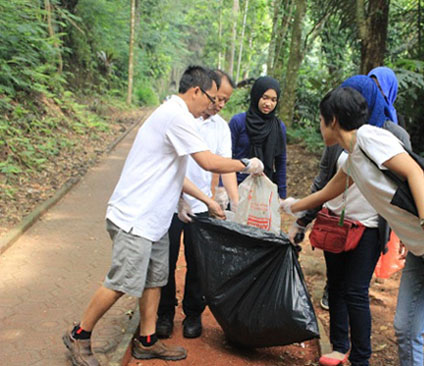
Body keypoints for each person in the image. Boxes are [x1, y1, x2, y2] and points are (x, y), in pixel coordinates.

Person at [281, 87, 424, 366]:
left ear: (332, 120)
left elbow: (413, 171)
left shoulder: (370, 137)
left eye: (321, 119)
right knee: (406, 328)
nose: (319, 126)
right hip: (420, 248)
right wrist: (288, 205)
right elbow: (326, 194)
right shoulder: (352, 157)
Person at [62, 66, 263, 366]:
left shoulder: (181, 118)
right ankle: (80, 334)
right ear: (196, 91)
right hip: (136, 216)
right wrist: (245, 163)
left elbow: (177, 174)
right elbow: (208, 162)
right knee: (121, 281)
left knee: (154, 279)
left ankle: (147, 340)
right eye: (211, 98)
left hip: (155, 218)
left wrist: (200, 199)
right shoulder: (176, 115)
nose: (212, 106)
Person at [288, 75, 409, 366]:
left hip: (368, 226)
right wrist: (301, 218)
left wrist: (404, 230)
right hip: (334, 221)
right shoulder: (338, 133)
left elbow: (407, 183)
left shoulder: (390, 136)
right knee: (337, 286)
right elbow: (325, 183)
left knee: (356, 291)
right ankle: (339, 346)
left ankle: (361, 358)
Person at [156, 70, 239, 339]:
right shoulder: (182, 118)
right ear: (206, 90)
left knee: (198, 262)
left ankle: (193, 314)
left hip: (203, 204)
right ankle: (164, 313)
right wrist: (247, 164)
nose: (220, 104)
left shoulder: (221, 127)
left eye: (225, 100)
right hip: (170, 202)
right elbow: (204, 161)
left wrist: (235, 203)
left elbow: (225, 167)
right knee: (165, 261)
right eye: (217, 97)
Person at [229, 76, 287, 198]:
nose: (268, 103)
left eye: (273, 100)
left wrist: (282, 194)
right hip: (238, 187)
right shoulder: (238, 122)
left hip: (265, 188)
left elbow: (280, 161)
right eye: (264, 98)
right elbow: (227, 157)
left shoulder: (278, 127)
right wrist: (223, 187)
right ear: (256, 95)